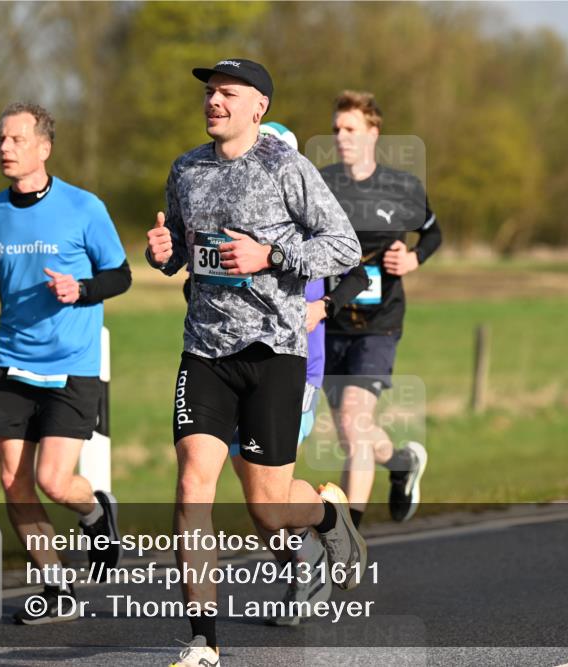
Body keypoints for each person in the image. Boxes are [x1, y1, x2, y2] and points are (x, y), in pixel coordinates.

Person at [144, 60, 364, 666]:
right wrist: (161, 254)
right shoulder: (185, 169)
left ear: (257, 107)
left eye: (227, 93)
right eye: (210, 92)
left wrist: (270, 253)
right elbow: (181, 255)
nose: (214, 101)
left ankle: (326, 513)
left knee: (267, 506)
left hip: (273, 351)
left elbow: (343, 248)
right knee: (192, 487)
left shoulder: (286, 168)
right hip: (205, 350)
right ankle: (202, 642)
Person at [0, 102, 131, 624]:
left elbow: (120, 275)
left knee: (52, 480)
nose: (5, 148)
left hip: (71, 364)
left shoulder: (84, 207)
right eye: (2, 139)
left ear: (43, 148)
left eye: (17, 140)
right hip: (11, 361)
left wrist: (82, 289)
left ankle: (95, 511)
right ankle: (55, 586)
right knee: (12, 481)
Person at [319, 90, 442, 528]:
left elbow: (432, 233)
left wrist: (412, 259)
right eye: (336, 129)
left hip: (380, 323)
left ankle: (347, 532)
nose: (341, 137)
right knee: (355, 431)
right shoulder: (321, 184)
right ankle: (402, 463)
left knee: (354, 424)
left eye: (350, 129)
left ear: (373, 133)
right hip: (331, 318)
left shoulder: (401, 188)